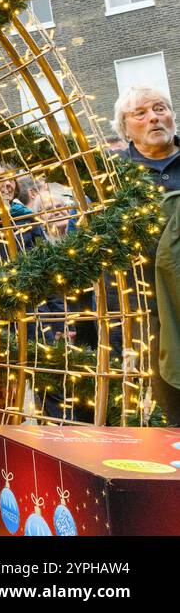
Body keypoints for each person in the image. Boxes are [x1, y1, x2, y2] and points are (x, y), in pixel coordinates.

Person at [114, 85, 180, 424]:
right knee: (168, 416)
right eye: (140, 113)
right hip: (146, 317)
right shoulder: (110, 177)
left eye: (160, 108)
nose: (154, 117)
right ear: (125, 128)